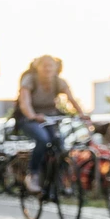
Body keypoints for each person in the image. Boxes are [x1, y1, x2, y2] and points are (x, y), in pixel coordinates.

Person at [17, 55, 88, 192]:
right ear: (37, 67)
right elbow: (24, 102)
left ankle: (60, 179)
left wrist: (82, 114)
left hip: (50, 117)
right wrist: (33, 115)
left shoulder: (59, 82)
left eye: (51, 66)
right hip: (30, 118)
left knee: (59, 144)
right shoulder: (30, 80)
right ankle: (33, 174)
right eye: (44, 65)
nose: (48, 69)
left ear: (56, 68)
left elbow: (71, 99)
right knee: (43, 139)